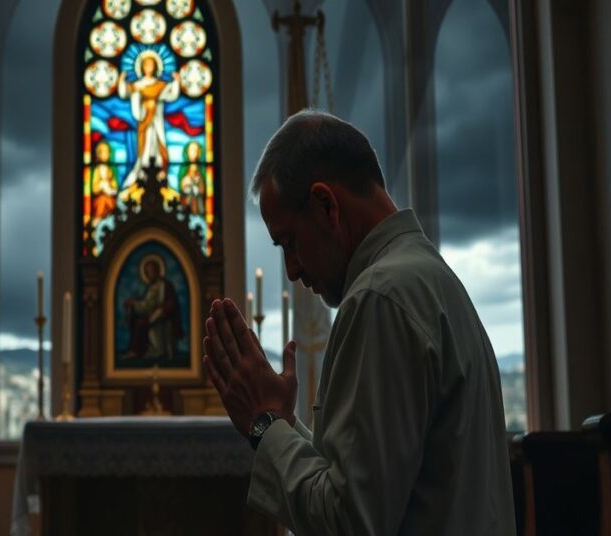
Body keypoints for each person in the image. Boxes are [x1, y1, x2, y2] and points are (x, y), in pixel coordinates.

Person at [202, 111, 516, 535]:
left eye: (289, 242)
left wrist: (263, 424)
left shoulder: (381, 297)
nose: (292, 270)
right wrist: (285, 423)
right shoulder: (427, 278)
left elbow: (349, 521)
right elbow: (372, 480)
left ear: (326, 204)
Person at [118, 50, 181, 206]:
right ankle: (140, 177)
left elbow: (172, 95)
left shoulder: (161, 85)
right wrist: (121, 81)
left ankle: (160, 176)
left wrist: (177, 82)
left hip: (157, 124)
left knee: (158, 148)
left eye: (151, 64)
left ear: (155, 67)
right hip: (144, 125)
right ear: (141, 67)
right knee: (144, 150)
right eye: (146, 64)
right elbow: (124, 93)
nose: (149, 67)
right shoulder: (137, 85)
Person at [124, 254, 182, 360]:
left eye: (151, 271)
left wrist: (135, 304)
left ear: (157, 271)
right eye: (147, 272)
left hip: (162, 316)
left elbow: (167, 305)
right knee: (135, 319)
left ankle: (139, 351)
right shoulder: (152, 287)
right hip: (153, 315)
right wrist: (134, 304)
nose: (149, 274)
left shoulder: (165, 285)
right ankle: (136, 351)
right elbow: (147, 304)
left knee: (140, 325)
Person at [178, 141, 206, 215]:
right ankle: (186, 210)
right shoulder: (184, 167)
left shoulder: (201, 167)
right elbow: (181, 183)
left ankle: (198, 213)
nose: (193, 153)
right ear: (187, 152)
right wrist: (185, 182)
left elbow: (203, 184)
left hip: (197, 194)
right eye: (191, 150)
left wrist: (198, 181)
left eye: (195, 150)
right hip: (186, 193)